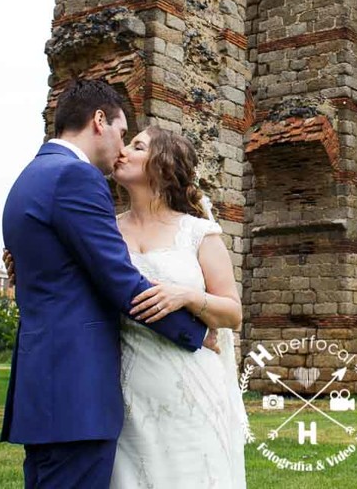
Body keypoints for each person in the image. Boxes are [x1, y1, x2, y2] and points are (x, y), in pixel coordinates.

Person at [0, 79, 216, 488]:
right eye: (122, 133)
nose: (121, 148)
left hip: (45, 386)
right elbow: (118, 280)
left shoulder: (30, 177)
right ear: (99, 120)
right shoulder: (75, 178)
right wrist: (194, 330)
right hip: (76, 392)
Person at [108, 124, 247, 488]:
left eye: (137, 146)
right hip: (128, 389)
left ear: (163, 164)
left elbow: (233, 313)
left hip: (190, 385)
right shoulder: (103, 230)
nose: (123, 150)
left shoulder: (198, 233)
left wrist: (187, 296)